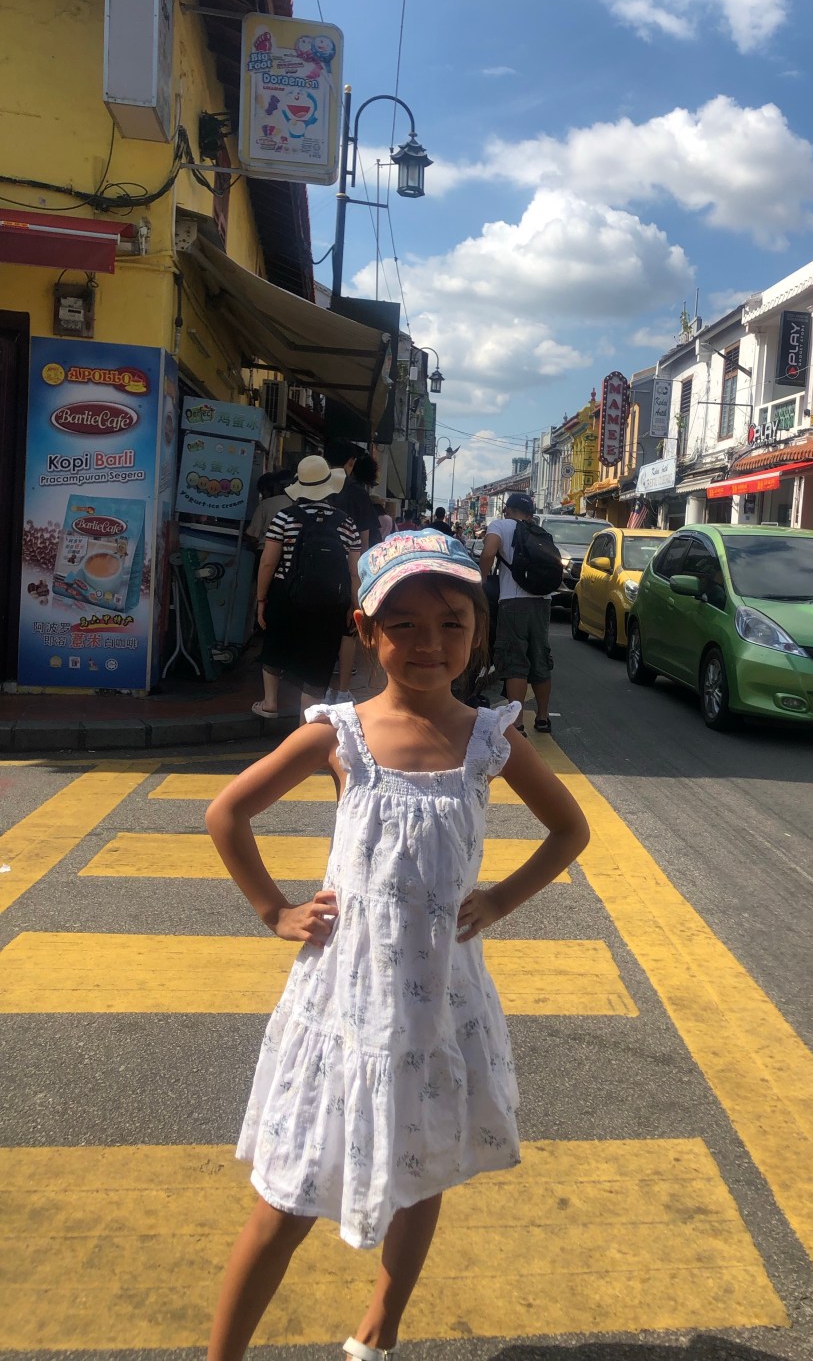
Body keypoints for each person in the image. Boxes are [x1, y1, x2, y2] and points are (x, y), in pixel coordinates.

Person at [204, 529, 590, 1361]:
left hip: (440, 1003)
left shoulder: (491, 739)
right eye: (404, 624)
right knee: (287, 1194)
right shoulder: (337, 735)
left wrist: (500, 899)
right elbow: (226, 813)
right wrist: (274, 911)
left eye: (452, 624)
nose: (429, 643)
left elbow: (570, 829)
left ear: (479, 634)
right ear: (366, 629)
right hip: (342, 1002)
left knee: (423, 1167)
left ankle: (381, 1327)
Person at [253, 455, 361, 722]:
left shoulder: (284, 517)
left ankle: (270, 703)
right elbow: (354, 571)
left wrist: (261, 599)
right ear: (329, 487)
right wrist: (353, 604)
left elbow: (268, 562)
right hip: (330, 602)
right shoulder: (347, 523)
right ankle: (306, 721)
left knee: (275, 645)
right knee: (319, 660)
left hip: (286, 595)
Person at [480, 492, 554, 737]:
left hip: (513, 602)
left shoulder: (500, 525)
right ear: (530, 513)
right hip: (543, 601)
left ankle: (517, 724)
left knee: (515, 662)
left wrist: (481, 581)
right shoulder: (539, 531)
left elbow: (488, 553)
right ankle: (543, 718)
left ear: (507, 510)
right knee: (540, 658)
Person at [332, 450, 387, 701]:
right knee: (348, 628)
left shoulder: (327, 489)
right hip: (351, 568)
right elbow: (364, 541)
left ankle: (318, 685)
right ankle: (343, 691)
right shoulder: (357, 494)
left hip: (320, 568)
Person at [245, 469, 293, 551]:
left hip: (266, 549)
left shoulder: (265, 504)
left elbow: (252, 535)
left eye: (263, 492)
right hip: (289, 552)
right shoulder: (296, 503)